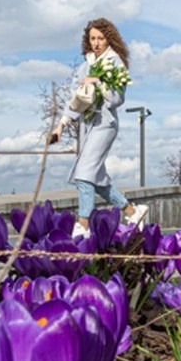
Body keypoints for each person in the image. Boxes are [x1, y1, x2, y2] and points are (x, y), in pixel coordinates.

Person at [51, 18, 148, 238]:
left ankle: (83, 224)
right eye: (92, 38)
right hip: (87, 125)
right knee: (97, 179)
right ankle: (133, 211)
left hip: (105, 124)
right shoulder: (85, 65)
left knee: (84, 173)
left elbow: (117, 99)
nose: (96, 43)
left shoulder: (115, 63)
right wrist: (61, 126)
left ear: (109, 39)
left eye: (100, 38)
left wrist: (98, 82)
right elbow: (75, 99)